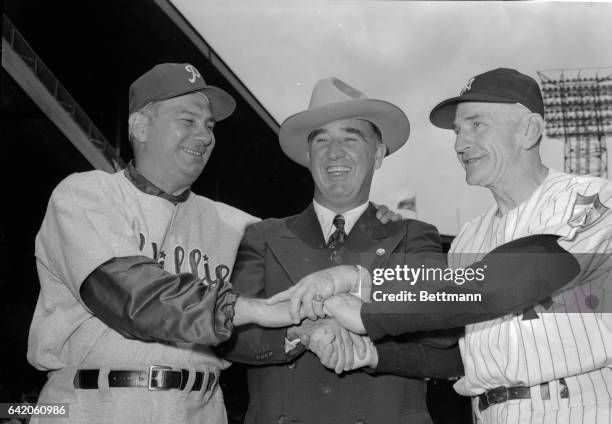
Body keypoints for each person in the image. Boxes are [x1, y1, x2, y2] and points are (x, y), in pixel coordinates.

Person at [27, 63, 301, 424]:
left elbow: (312, 259)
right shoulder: (86, 195)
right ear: (141, 126)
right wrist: (243, 309)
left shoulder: (238, 225)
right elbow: (130, 296)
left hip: (200, 409)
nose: (204, 136)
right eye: (188, 121)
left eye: (210, 126)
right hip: (95, 405)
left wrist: (382, 223)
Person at [219, 77, 465, 424]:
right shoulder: (263, 236)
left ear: (378, 154)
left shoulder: (413, 235)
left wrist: (364, 335)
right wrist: (298, 333)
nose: (335, 152)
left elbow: (442, 332)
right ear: (307, 156)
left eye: (351, 137)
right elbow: (229, 333)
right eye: (322, 140)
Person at [428, 68, 612, 423]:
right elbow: (455, 349)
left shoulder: (592, 197)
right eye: (457, 130)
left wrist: (372, 303)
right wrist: (370, 351)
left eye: (476, 124)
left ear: (528, 130)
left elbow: (517, 276)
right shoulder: (469, 236)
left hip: (578, 407)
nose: (459, 144)